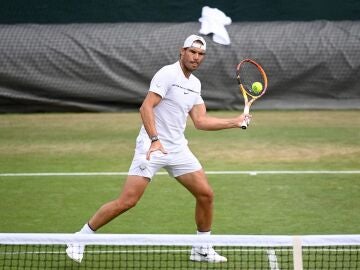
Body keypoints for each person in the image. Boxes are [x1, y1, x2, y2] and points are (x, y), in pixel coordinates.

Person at [66, 34, 249, 264]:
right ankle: (79, 238)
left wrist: (234, 121)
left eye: (201, 54)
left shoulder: (195, 84)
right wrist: (154, 140)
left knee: (206, 194)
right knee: (128, 201)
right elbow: (145, 107)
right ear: (182, 51)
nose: (196, 57)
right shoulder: (167, 74)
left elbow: (201, 122)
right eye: (192, 52)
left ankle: (201, 249)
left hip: (177, 148)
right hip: (152, 147)